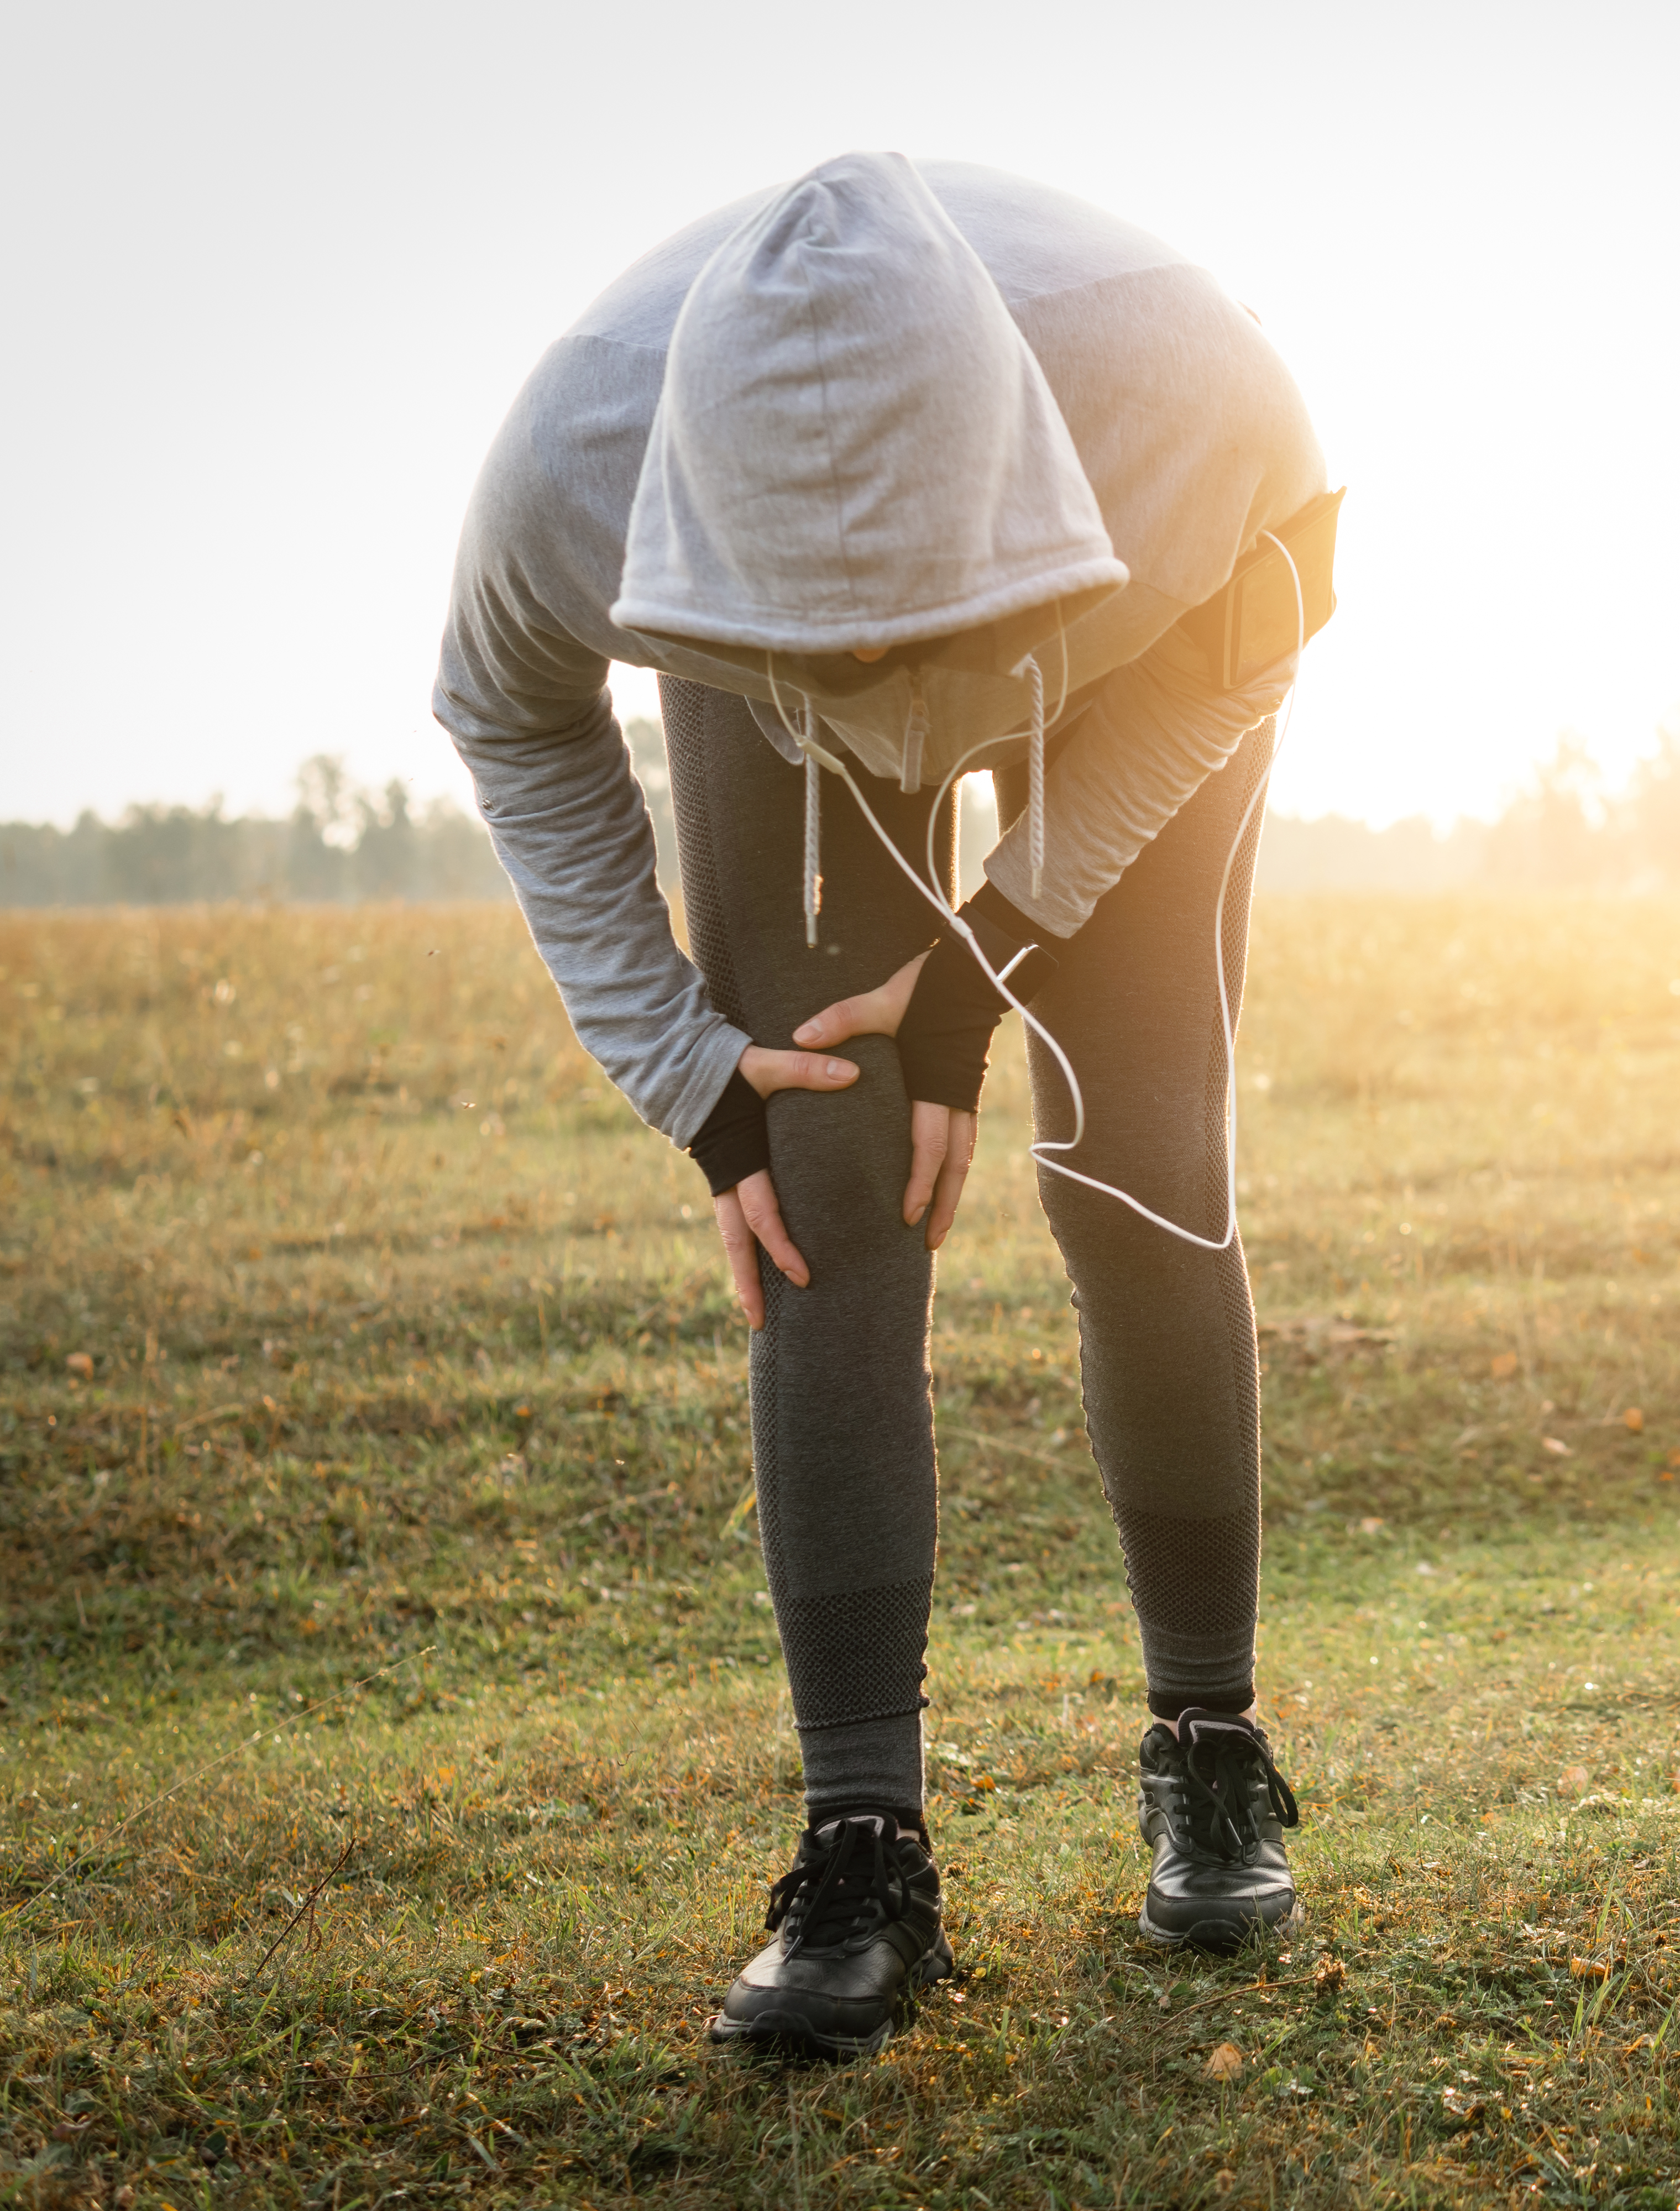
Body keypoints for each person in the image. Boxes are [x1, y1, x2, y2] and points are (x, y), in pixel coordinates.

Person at [435, 152, 1332, 2060]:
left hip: (1114, 633)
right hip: (739, 634)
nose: (877, 695)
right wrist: (686, 1074)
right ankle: (863, 1846)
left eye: (893, 646)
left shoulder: (1200, 416)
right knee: (825, 1179)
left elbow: (1247, 650)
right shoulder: (572, 470)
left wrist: (995, 954)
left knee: (1136, 1150)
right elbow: (510, 715)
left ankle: (1210, 1739)